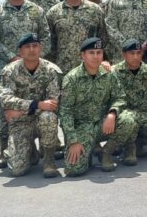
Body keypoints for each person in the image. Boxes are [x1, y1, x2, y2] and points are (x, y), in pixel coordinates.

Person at [0, 0, 50, 169]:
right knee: (8, 110)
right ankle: (4, 151)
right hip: (10, 71)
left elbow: (46, 37)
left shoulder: (36, 11)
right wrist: (14, 58)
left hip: (35, 69)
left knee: (38, 107)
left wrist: (35, 56)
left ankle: (41, 148)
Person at [59, 37, 138, 175]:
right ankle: (87, 152)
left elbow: (120, 97)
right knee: (74, 169)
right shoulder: (71, 78)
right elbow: (65, 112)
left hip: (104, 124)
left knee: (128, 119)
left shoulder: (109, 75)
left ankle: (106, 153)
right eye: (91, 53)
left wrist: (112, 113)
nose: (96, 56)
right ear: (83, 55)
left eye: (99, 52)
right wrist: (73, 141)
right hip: (82, 128)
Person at [0, 32, 62, 178]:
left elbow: (53, 104)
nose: (32, 49)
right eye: (27, 46)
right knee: (16, 170)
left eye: (35, 46)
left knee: (49, 117)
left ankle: (49, 161)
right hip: (20, 124)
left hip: (40, 120)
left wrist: (20, 110)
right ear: (20, 51)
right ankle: (30, 150)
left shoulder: (52, 70)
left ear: (41, 48)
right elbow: (6, 100)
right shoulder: (9, 71)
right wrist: (37, 104)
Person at [46, 0, 107, 73]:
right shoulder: (53, 12)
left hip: (91, 67)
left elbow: (104, 38)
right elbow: (50, 44)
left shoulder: (95, 10)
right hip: (63, 68)